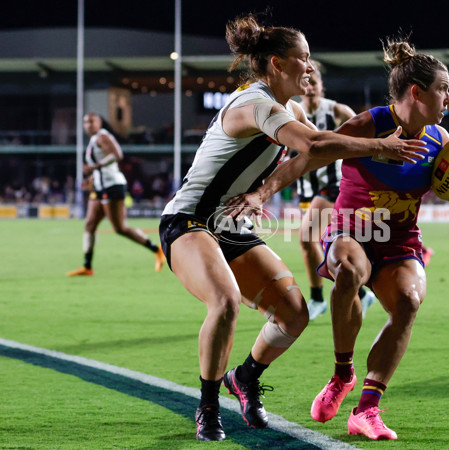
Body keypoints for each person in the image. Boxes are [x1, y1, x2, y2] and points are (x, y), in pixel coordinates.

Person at [158, 13, 430, 442]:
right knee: (226, 301)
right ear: (276, 65)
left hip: (227, 224)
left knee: (294, 313)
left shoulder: (293, 108)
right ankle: (208, 407)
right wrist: (382, 145)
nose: (309, 66)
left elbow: (306, 157)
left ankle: (245, 378)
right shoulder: (254, 103)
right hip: (188, 220)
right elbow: (315, 145)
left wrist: (261, 194)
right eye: (302, 58)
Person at [228, 34, 449, 440]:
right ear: (417, 92)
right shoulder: (367, 125)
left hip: (400, 240)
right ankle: (342, 373)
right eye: (444, 90)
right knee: (349, 270)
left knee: (408, 301)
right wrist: (260, 193)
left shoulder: (442, 142)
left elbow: (447, 183)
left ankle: (367, 409)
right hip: (351, 231)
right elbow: (305, 160)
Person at [295, 60, 376, 321]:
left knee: (306, 238)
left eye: (314, 83)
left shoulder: (337, 111)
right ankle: (361, 293)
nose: (310, 88)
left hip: (333, 186)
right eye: (306, 83)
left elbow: (363, 138)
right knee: (323, 245)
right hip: (307, 188)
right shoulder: (291, 113)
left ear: (322, 86)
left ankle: (317, 299)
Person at [67, 113, 166, 276]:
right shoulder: (93, 140)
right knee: (89, 224)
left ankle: (157, 249)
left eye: (92, 121)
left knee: (120, 228)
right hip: (100, 187)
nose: (88, 125)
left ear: (100, 123)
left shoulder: (103, 136)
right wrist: (91, 178)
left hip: (112, 186)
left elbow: (117, 155)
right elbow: (103, 166)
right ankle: (87, 266)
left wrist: (94, 167)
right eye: (86, 122)